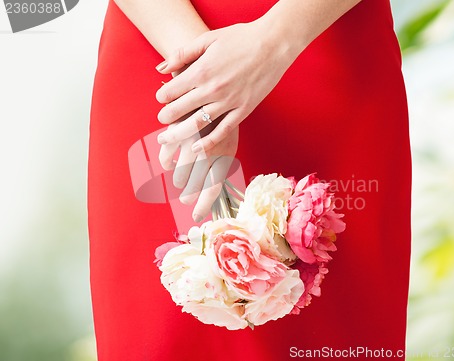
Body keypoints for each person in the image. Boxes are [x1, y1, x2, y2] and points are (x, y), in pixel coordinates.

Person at [88, 0, 412, 360]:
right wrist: (201, 77)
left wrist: (273, 40)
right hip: (162, 48)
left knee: (335, 331)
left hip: (320, 36)